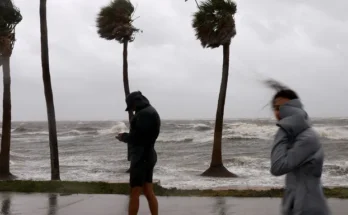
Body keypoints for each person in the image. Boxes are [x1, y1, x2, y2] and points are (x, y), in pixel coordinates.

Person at [270, 89, 330, 215]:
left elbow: (277, 167)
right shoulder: (294, 136)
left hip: (308, 208)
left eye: (284, 107)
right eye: (276, 108)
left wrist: (282, 129)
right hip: (295, 205)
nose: (279, 112)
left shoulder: (307, 138)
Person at [116, 91, 160, 215]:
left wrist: (123, 137)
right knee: (148, 191)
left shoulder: (143, 114)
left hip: (141, 157)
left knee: (135, 193)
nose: (132, 109)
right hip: (149, 155)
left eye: (132, 106)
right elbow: (144, 136)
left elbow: (137, 138)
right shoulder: (151, 111)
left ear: (136, 102)